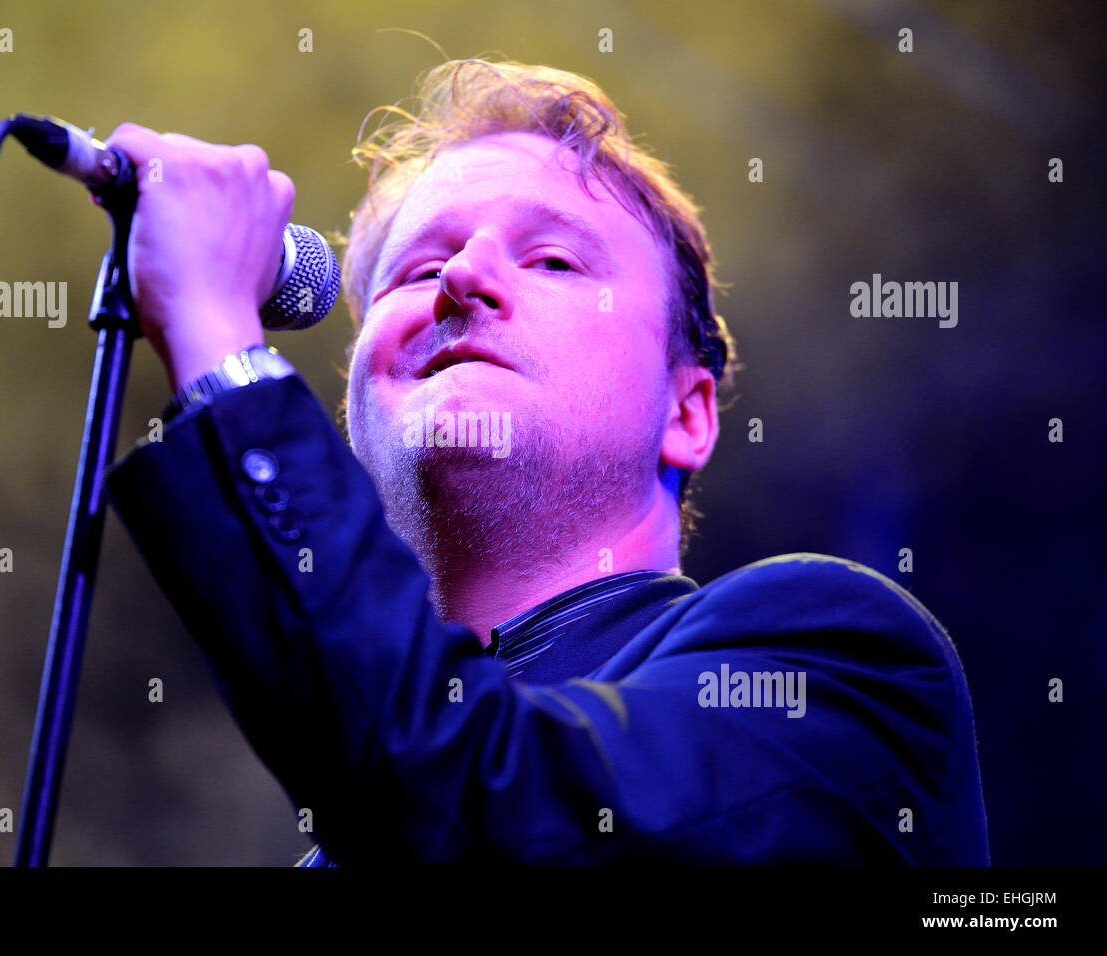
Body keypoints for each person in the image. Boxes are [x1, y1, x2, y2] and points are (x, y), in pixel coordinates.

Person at [101, 58, 989, 864]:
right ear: (352, 400)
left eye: (555, 260)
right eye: (418, 269)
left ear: (686, 411)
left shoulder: (840, 659)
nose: (463, 278)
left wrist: (220, 347)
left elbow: (491, 809)